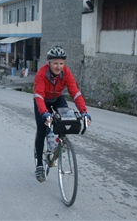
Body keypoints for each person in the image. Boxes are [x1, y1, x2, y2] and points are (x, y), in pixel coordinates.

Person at [33, 45, 92, 183]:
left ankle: (60, 141)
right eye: (55, 63)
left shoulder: (66, 73)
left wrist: (84, 112)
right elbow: (39, 96)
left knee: (67, 118)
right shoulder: (41, 74)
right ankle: (40, 165)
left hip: (58, 98)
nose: (58, 67)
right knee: (42, 130)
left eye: (61, 63)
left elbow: (75, 92)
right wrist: (44, 113)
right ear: (49, 63)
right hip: (42, 100)